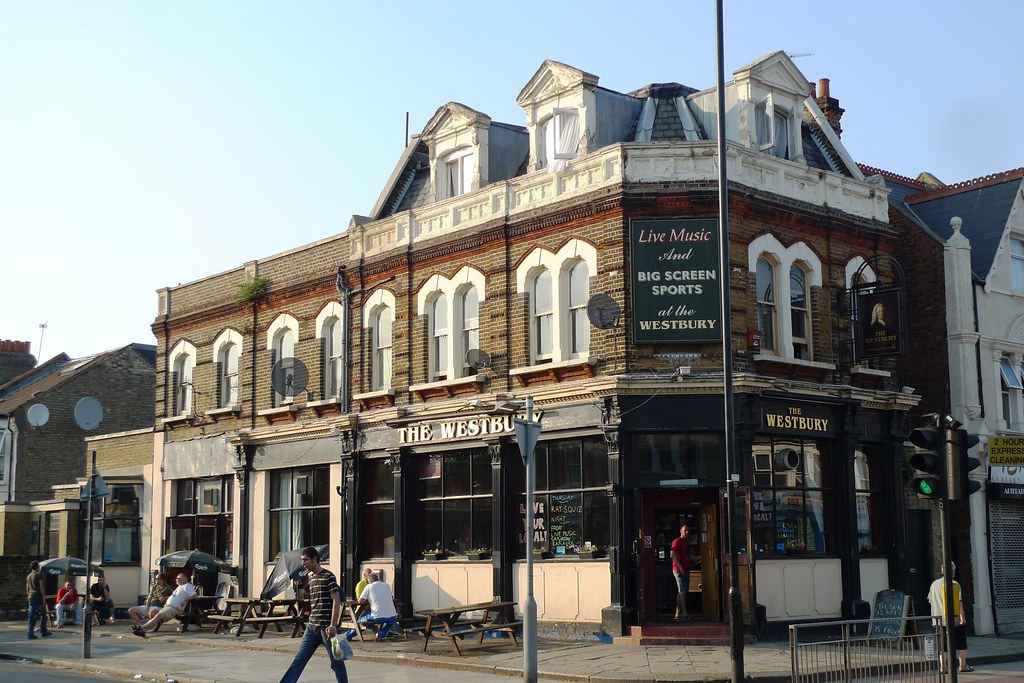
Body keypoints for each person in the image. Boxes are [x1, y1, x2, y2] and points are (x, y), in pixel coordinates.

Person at [278, 546, 347, 683]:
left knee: (337, 662)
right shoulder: (311, 579)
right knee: (299, 659)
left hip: (326, 628)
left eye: (306, 560)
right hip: (312, 627)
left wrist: (333, 625)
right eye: (302, 560)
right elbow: (315, 601)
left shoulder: (328, 576)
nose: (303, 563)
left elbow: (336, 600)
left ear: (315, 559)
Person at [928, 561, 974, 673]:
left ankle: (943, 667)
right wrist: (962, 617)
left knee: (943, 644)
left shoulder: (934, 584)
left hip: (938, 619)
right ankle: (962, 665)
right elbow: (959, 602)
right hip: (954, 619)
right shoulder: (954, 584)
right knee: (961, 641)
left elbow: (930, 600)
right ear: (953, 571)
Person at [132, 572, 198, 637]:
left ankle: (141, 628)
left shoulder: (187, 586)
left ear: (183, 579)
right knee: (156, 615)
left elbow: (195, 595)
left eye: (177, 578)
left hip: (174, 608)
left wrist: (185, 599)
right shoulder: (180, 587)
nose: (176, 579)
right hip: (168, 607)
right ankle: (143, 630)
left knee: (159, 616)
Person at [349, 570, 398, 641]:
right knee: (390, 622)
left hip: (377, 615)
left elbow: (361, 601)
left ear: (369, 581)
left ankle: (347, 636)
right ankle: (381, 634)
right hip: (393, 615)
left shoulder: (369, 587)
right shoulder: (386, 585)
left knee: (360, 621)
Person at [26, 560, 52, 639]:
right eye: (39, 566)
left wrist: (28, 595)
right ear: (37, 567)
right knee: (43, 614)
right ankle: (44, 631)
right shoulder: (39, 575)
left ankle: (30, 633)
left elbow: (27, 587)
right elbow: (41, 587)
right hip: (38, 597)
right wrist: (44, 598)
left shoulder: (29, 576)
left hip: (31, 597)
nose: (40, 567)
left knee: (31, 616)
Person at [671, 523, 692, 620]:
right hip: (679, 570)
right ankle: (684, 613)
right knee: (683, 591)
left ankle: (677, 613)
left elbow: (687, 556)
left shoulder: (686, 542)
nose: (687, 532)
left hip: (686, 569)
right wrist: (680, 567)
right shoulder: (677, 541)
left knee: (682, 591)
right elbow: (674, 555)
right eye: (685, 530)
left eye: (688, 531)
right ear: (681, 531)